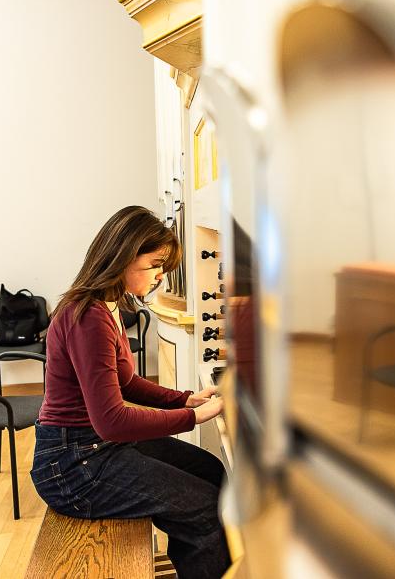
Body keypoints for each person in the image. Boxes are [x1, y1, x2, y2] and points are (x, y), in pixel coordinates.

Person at [30, 205, 230, 579]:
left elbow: (125, 384)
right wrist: (194, 417)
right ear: (123, 255)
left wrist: (186, 398)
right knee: (204, 509)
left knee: (211, 471)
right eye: (155, 265)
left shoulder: (109, 305)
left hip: (92, 448)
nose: (159, 277)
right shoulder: (87, 316)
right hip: (72, 466)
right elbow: (111, 421)